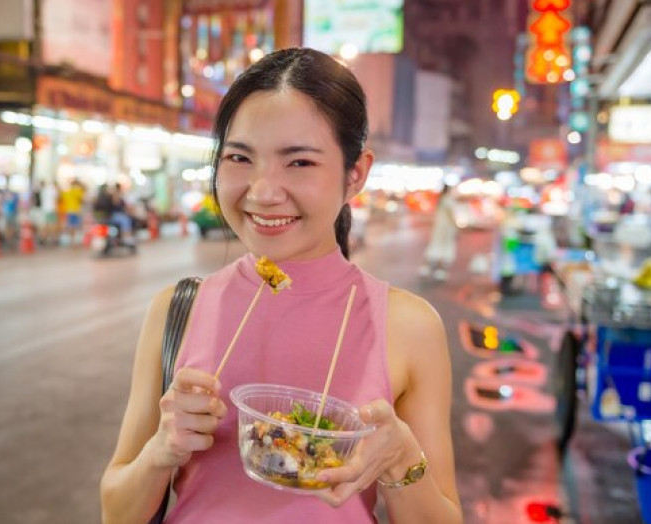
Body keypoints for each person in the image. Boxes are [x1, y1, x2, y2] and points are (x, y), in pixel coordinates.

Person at [101, 48, 460, 523]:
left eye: (299, 163)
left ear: (356, 174)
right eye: (239, 157)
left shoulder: (408, 326)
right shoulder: (178, 309)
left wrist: (400, 459)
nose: (263, 192)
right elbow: (117, 513)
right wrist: (161, 450)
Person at [421, 184, 459, 281]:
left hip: (439, 226)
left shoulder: (441, 199)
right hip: (446, 227)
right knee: (444, 246)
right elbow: (451, 215)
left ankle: (429, 267)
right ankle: (440, 269)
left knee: (435, 244)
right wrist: (456, 226)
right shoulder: (447, 200)